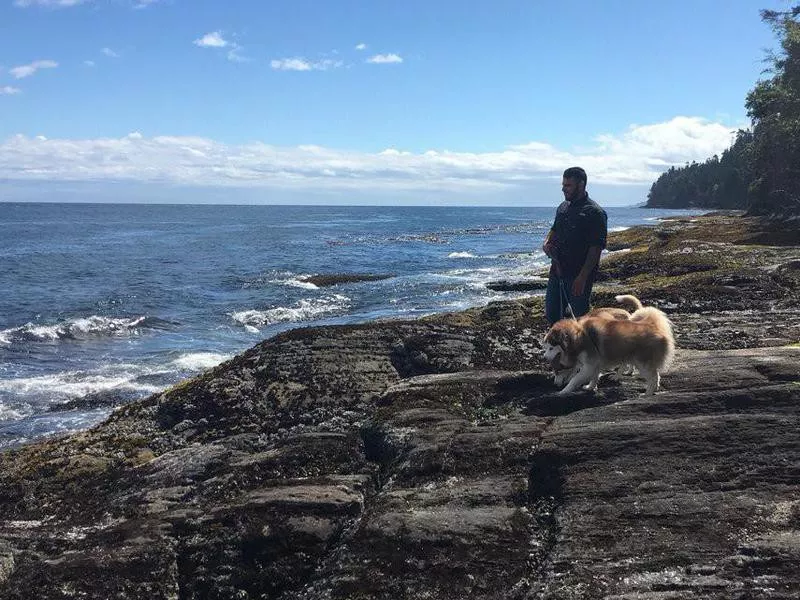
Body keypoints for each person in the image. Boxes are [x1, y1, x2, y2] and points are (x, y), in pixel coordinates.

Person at [542, 167, 608, 324]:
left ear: (581, 185)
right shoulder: (563, 207)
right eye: (563, 185)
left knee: (579, 320)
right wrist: (546, 243)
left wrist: (582, 277)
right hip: (557, 272)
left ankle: (581, 348)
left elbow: (596, 249)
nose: (563, 189)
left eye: (568, 185)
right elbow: (554, 230)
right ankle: (560, 348)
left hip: (578, 277)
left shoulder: (595, 212)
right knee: (553, 316)